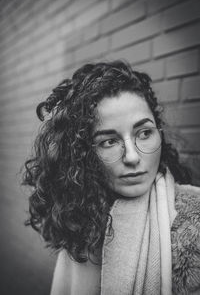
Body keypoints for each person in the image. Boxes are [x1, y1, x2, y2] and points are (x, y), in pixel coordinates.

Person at [22, 60, 200, 295]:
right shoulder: (78, 220)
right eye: (109, 141)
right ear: (82, 154)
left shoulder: (193, 223)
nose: (132, 157)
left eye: (144, 133)